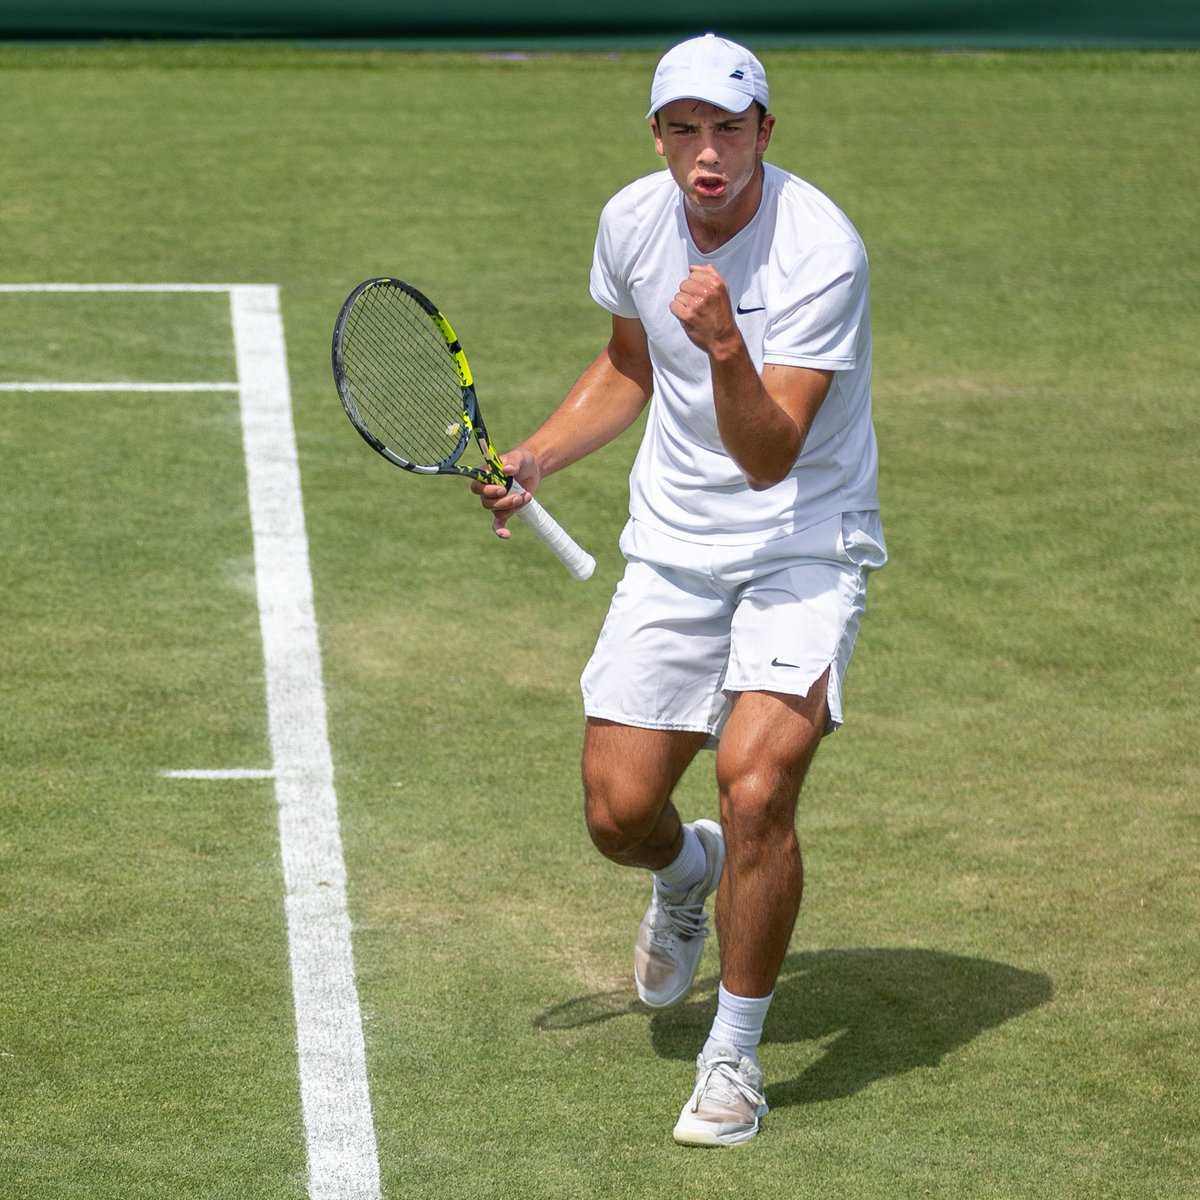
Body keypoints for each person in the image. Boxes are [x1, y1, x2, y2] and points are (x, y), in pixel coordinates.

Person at [474, 32, 886, 1146]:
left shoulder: (819, 251)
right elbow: (626, 364)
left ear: (766, 132)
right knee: (618, 815)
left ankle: (734, 1060)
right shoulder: (632, 221)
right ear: (659, 135)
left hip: (803, 539)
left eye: (730, 128)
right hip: (672, 541)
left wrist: (725, 347)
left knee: (758, 786)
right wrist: (538, 457)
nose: (708, 154)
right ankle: (686, 871)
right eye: (684, 129)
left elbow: (770, 454)